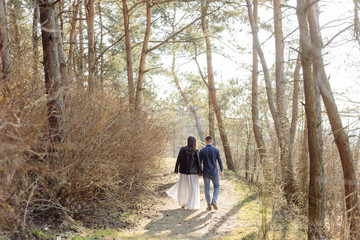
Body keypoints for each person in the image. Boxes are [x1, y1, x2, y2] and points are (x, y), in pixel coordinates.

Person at [166, 136, 202, 210]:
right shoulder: (196, 151)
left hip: (183, 172)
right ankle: (192, 204)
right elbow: (199, 163)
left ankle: (183, 203)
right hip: (193, 173)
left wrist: (176, 169)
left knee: (184, 188)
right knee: (193, 189)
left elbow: (178, 160)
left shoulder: (182, 149)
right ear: (195, 142)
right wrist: (200, 172)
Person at [200, 136, 224, 211]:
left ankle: (209, 205)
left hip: (206, 172)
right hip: (214, 172)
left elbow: (199, 162)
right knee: (216, 186)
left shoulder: (202, 150)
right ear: (212, 141)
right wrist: (222, 170)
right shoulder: (216, 150)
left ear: (206, 141)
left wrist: (199, 172)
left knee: (206, 188)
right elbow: (220, 161)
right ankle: (214, 201)